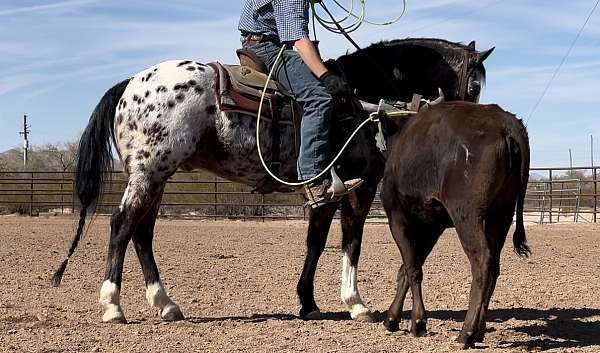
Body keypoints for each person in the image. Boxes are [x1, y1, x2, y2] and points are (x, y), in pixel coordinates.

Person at [238, 0, 363, 208]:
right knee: (318, 99)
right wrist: (325, 76)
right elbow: (299, 40)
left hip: (261, 42)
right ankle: (312, 180)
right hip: (267, 49)